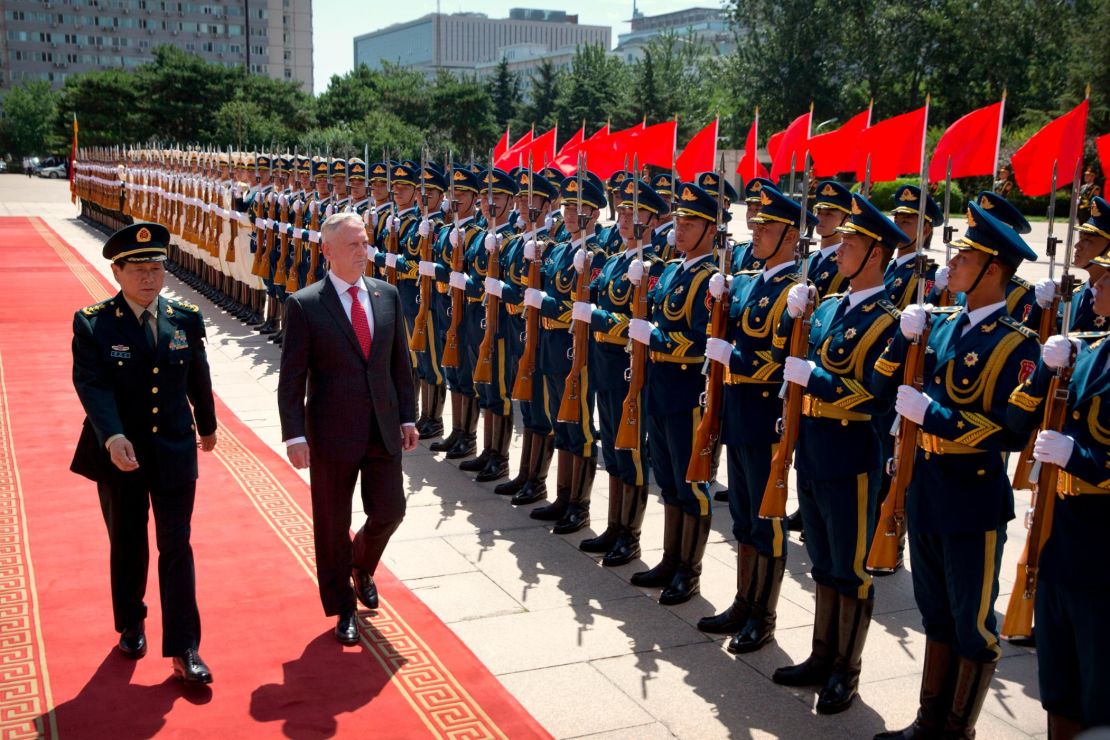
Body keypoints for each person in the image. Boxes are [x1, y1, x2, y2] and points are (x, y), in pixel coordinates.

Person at [871, 199, 1041, 740]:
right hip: (925, 487)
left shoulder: (1018, 343)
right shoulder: (940, 326)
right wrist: (904, 333)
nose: (953, 263)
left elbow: (1011, 431)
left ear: (992, 268)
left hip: (972, 496)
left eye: (965, 256)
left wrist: (936, 418)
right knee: (935, 612)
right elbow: (884, 383)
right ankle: (928, 721)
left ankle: (957, 729)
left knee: (973, 623)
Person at [771, 194, 906, 714]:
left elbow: (874, 396)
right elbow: (793, 360)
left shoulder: (890, 320)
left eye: (850, 242)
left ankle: (845, 669)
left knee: (851, 568)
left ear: (874, 253)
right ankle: (820, 654)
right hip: (814, 446)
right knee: (823, 562)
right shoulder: (827, 305)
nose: (839, 248)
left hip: (852, 454)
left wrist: (817, 381)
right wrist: (793, 319)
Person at [70, 222, 217, 684]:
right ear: (117, 271)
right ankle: (131, 621)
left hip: (173, 448)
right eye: (139, 270)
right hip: (120, 454)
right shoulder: (94, 322)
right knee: (128, 542)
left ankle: (185, 647)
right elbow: (91, 385)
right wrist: (111, 437)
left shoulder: (185, 317)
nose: (150, 278)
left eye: (156, 268)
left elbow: (198, 376)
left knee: (177, 545)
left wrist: (208, 425)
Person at [277, 211, 419, 645]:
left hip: (383, 426)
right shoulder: (305, 304)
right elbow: (292, 377)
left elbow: (400, 363)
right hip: (332, 433)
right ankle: (342, 608)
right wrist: (294, 435)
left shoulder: (387, 295)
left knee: (390, 511)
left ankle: (361, 566)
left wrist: (408, 416)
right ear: (328, 251)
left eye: (366, 243)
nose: (364, 252)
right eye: (354, 245)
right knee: (332, 523)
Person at [1007, 259, 1110, 739]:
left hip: (1103, 548)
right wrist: (1043, 374)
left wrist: (1083, 458)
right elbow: (1017, 417)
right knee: (1059, 683)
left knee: (1101, 689)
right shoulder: (1086, 350)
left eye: (1106, 280)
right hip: (1061, 531)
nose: (1095, 287)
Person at [700, 185, 805, 648]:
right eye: (756, 222)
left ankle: (763, 615)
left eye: (766, 225)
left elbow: (784, 364)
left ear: (790, 234)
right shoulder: (745, 279)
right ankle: (744, 602)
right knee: (742, 517)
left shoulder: (796, 291)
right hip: (736, 414)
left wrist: (734, 358)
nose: (756, 230)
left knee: (767, 522)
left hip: (766, 419)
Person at [629, 181, 720, 606]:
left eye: (690, 223)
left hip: (688, 395)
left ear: (710, 229)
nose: (679, 230)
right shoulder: (672, 270)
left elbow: (703, 344)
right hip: (661, 389)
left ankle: (690, 570)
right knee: (666, 481)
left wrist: (657, 340)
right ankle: (670, 558)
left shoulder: (709, 280)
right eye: (678, 220)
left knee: (690, 485)